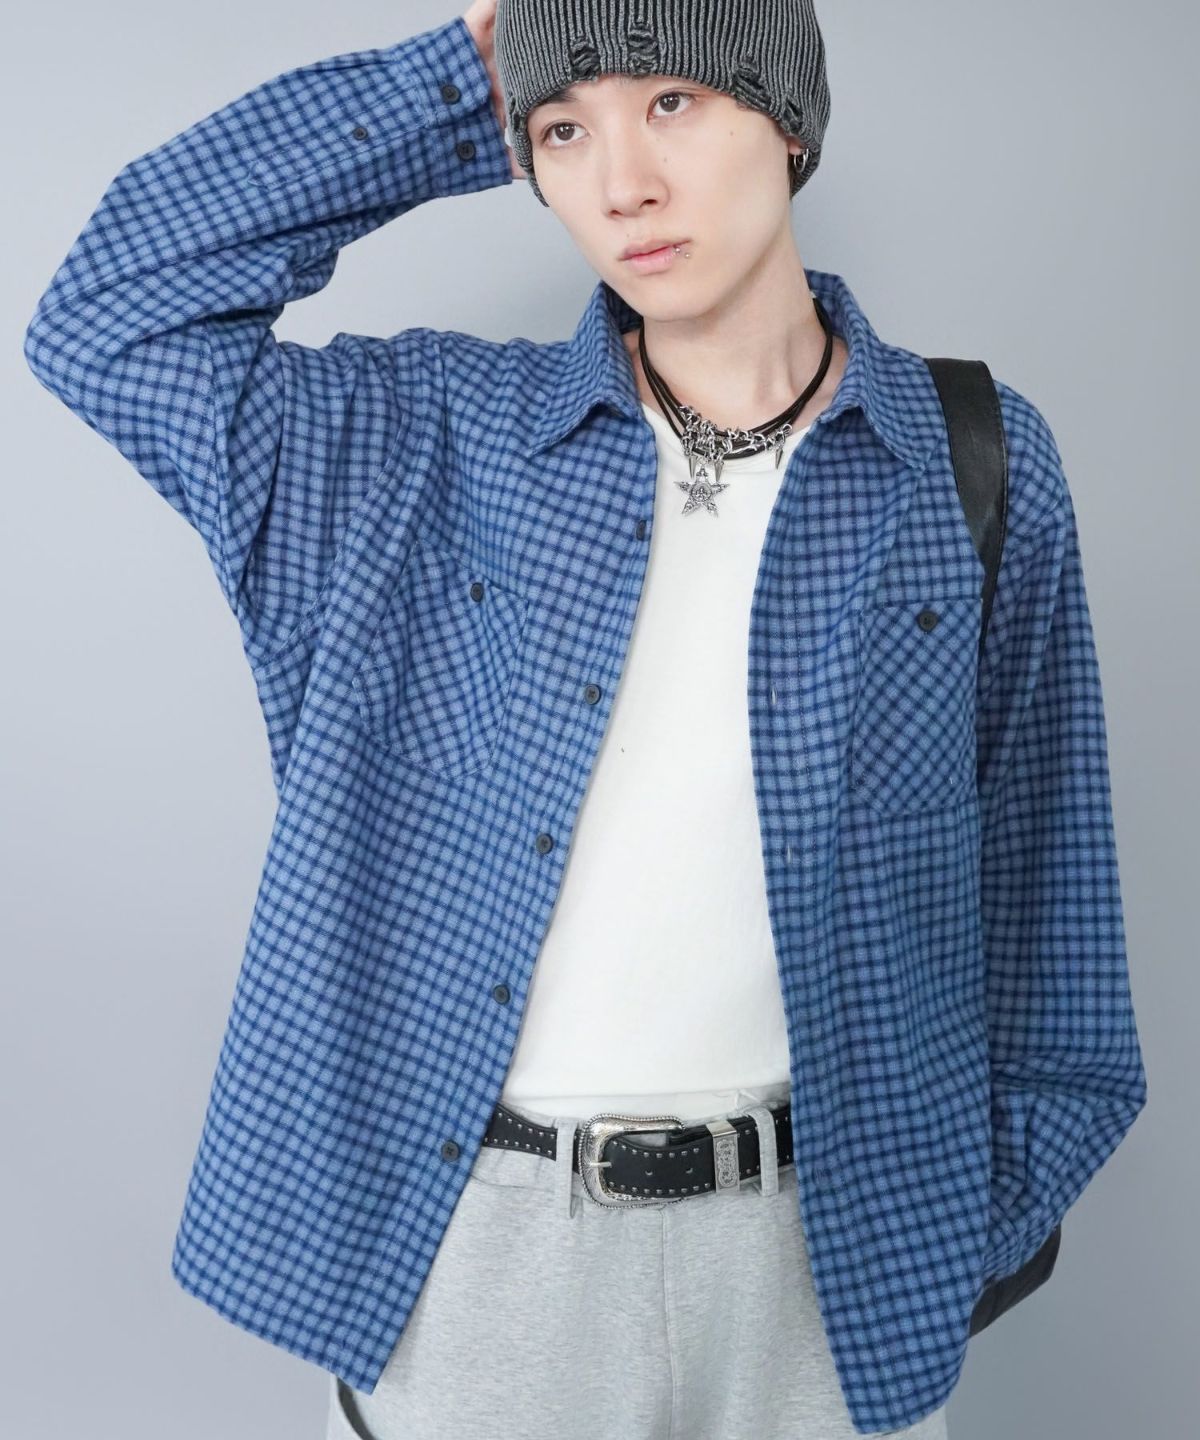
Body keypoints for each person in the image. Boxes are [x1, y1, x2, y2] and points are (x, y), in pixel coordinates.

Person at [22, 1, 1147, 1437]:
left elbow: (1049, 900)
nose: (621, 183)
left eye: (671, 102)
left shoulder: (970, 462)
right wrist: (463, 78)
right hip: (487, 1256)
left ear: (787, 118)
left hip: (832, 1262)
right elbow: (110, 315)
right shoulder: (416, 440)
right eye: (563, 130)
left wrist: (946, 1231)